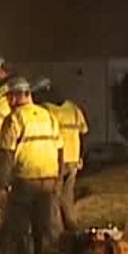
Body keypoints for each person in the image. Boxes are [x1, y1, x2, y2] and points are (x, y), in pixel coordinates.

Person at [0, 77, 62, 254]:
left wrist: (2, 183)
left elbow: (7, 155)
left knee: (18, 227)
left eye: (9, 97)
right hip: (48, 180)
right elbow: (59, 149)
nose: (8, 101)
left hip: (26, 180)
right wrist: (57, 179)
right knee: (41, 228)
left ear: (17, 96)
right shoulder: (48, 116)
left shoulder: (14, 119)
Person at [34, 77, 90, 232]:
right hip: (73, 161)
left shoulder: (46, 110)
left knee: (52, 199)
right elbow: (83, 134)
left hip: (56, 161)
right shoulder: (73, 108)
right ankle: (73, 230)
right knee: (67, 198)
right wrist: (81, 157)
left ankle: (58, 234)